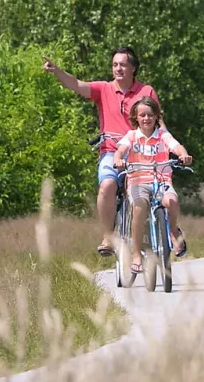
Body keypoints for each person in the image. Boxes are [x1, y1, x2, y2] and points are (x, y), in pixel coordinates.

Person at [43, 47, 159, 257]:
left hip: (141, 152)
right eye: (115, 65)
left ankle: (158, 234)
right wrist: (57, 71)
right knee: (106, 185)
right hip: (111, 152)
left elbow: (158, 122)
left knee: (153, 192)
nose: (118, 69)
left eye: (123, 64)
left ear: (133, 68)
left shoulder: (146, 92)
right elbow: (77, 85)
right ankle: (108, 236)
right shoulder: (104, 89)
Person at [113, 96, 192, 272]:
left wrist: (183, 155)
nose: (146, 119)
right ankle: (136, 254)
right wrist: (118, 160)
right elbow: (120, 151)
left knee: (172, 201)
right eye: (142, 115)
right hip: (138, 180)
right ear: (136, 118)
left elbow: (176, 146)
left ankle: (172, 230)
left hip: (162, 178)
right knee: (139, 208)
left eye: (150, 115)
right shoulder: (132, 136)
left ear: (156, 116)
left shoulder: (162, 135)